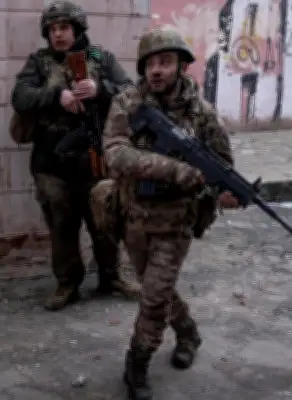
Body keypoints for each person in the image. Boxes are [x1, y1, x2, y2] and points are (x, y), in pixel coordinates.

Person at [98, 28, 241, 399]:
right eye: (151, 64)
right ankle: (188, 332)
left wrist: (225, 193)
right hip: (133, 216)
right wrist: (175, 169)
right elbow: (115, 153)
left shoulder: (202, 114)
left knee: (154, 296)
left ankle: (137, 364)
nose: (157, 70)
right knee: (155, 287)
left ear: (181, 65)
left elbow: (222, 166)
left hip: (175, 222)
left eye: (165, 62)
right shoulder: (127, 103)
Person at [10, 0, 140, 311]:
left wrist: (100, 89)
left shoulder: (101, 59)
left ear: (77, 29)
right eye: (53, 29)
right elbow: (20, 96)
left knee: (105, 221)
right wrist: (57, 95)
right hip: (52, 162)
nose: (58, 34)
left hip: (95, 159)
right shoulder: (39, 63)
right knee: (61, 226)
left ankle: (111, 276)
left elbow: (131, 94)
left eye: (64, 27)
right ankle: (68, 284)